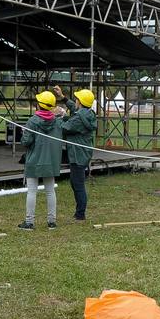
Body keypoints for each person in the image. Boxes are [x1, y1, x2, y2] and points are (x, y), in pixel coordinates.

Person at [18, 90, 63, 230]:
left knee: (32, 191)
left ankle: (29, 222)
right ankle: (52, 222)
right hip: (51, 161)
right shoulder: (57, 122)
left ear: (39, 105)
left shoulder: (33, 121)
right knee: (50, 191)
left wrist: (24, 133)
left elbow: (26, 142)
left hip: (34, 160)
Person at [61, 88, 98, 221]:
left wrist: (58, 117)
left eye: (76, 99)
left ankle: (80, 214)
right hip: (83, 153)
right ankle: (79, 212)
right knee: (75, 182)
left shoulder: (78, 118)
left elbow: (64, 128)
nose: (75, 101)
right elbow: (75, 110)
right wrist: (63, 98)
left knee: (78, 184)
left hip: (78, 154)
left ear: (80, 102)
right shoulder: (88, 113)